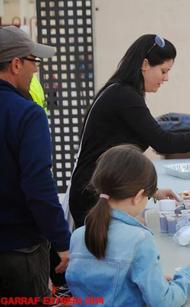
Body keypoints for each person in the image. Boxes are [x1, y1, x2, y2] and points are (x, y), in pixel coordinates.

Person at [69, 34, 190, 228]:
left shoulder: (122, 92)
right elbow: (162, 142)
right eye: (163, 71)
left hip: (101, 190)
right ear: (145, 64)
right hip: (93, 196)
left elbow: (129, 154)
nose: (166, 78)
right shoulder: (124, 96)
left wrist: (152, 192)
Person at [66, 144, 190, 306]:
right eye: (148, 197)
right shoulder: (139, 240)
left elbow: (102, 286)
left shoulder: (78, 235)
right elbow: (163, 302)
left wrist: (154, 280)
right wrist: (187, 278)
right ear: (138, 196)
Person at [0, 25, 70, 300]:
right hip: (21, 251)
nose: (36, 70)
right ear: (16, 64)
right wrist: (62, 242)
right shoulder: (27, 114)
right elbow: (38, 186)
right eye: (34, 62)